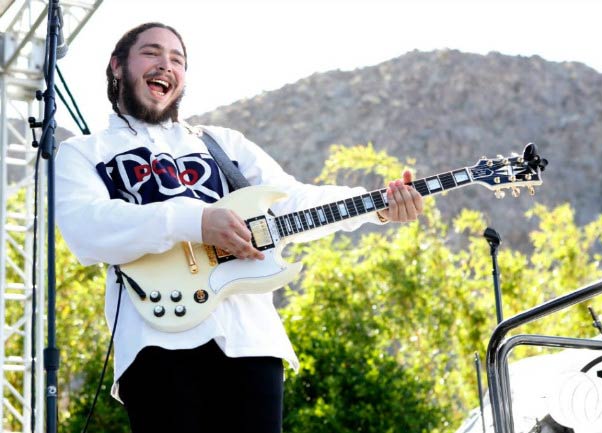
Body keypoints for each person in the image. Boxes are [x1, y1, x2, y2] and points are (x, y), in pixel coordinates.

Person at [55, 22, 423, 433]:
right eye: (152, 53)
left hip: (251, 339)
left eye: (178, 59)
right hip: (158, 338)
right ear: (117, 66)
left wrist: (376, 207)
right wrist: (196, 220)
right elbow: (86, 229)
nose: (166, 65)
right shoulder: (83, 152)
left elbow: (292, 201)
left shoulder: (222, 143)